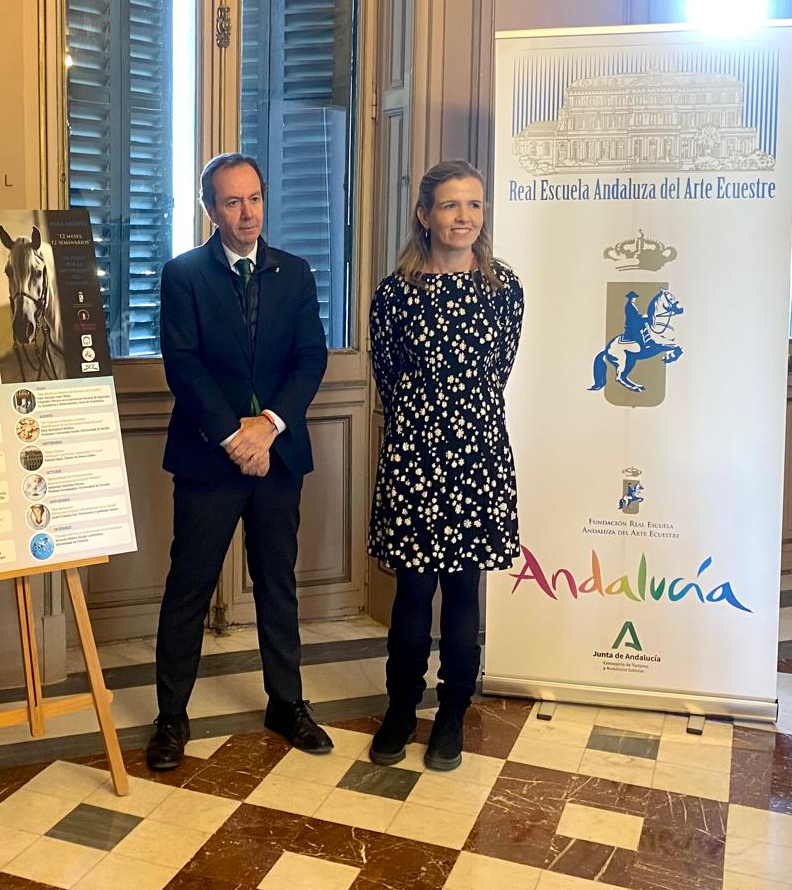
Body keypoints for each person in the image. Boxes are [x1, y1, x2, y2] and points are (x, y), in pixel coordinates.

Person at [147, 153, 330, 771]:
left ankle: (288, 703)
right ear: (210, 210)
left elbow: (310, 360)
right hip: (208, 459)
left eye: (254, 198)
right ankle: (171, 717)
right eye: (232, 201)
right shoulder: (183, 276)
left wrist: (268, 427)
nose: (247, 212)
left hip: (278, 457)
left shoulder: (295, 273)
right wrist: (233, 436)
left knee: (278, 584)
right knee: (188, 589)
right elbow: (184, 364)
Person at [367, 160, 524, 772]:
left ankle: (453, 712)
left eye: (475, 206)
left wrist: (461, 419)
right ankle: (401, 709)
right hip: (413, 454)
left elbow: (499, 371)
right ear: (424, 214)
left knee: (464, 593)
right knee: (411, 592)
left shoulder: (504, 287)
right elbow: (387, 377)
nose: (464, 218)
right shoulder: (394, 292)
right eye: (452, 206)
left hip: (478, 455)